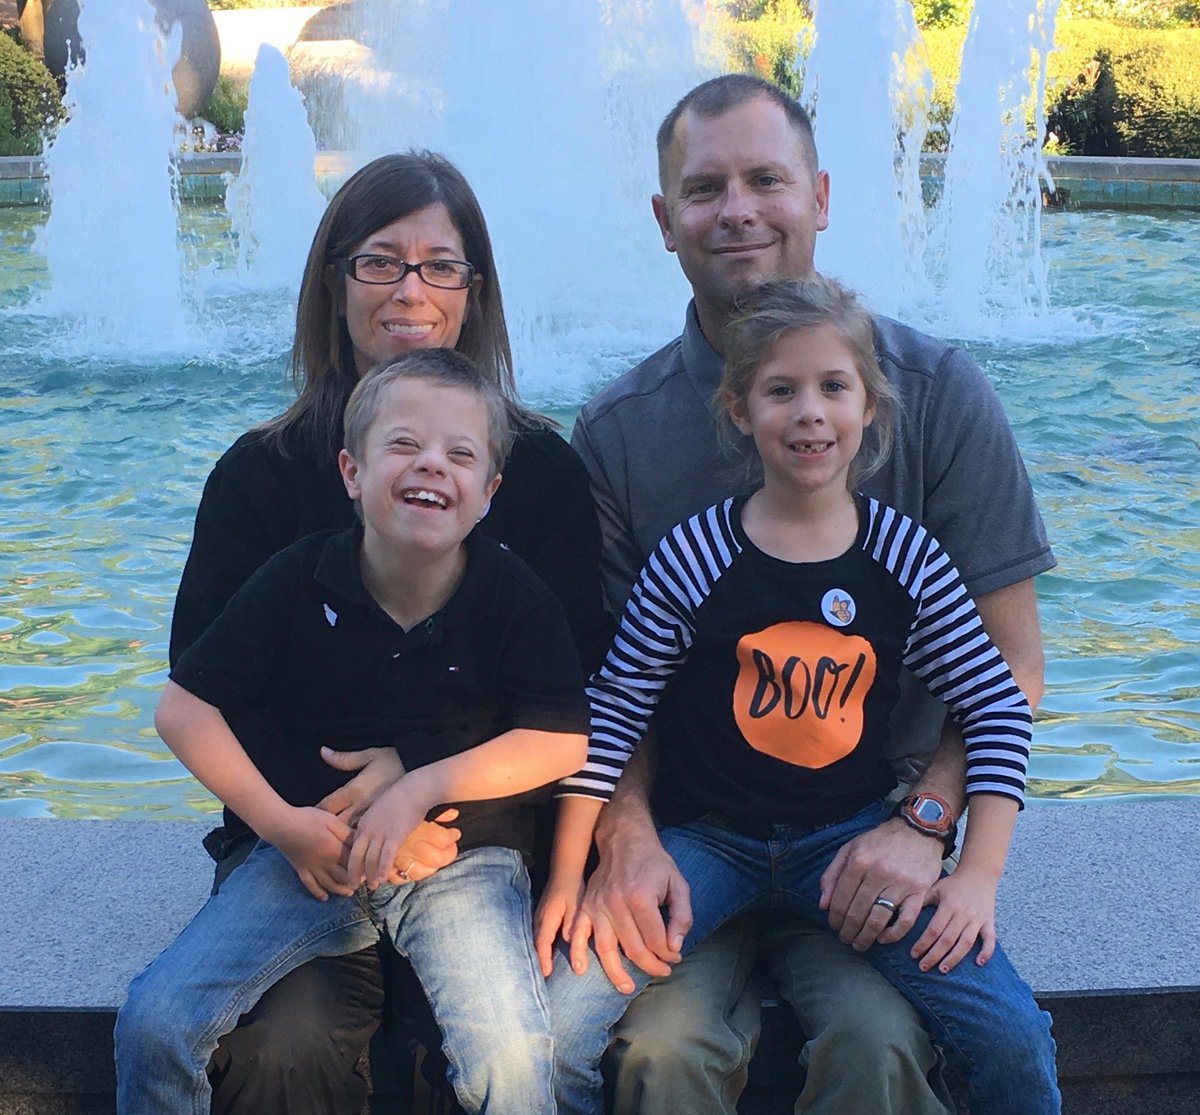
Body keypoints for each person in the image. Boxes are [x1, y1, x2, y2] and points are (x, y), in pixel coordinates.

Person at [566, 74, 1055, 1113]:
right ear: (665, 220)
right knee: (640, 1043)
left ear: (821, 196)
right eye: (705, 187)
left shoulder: (937, 398)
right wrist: (624, 835)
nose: (736, 208)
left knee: (893, 1045)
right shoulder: (617, 434)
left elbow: (1009, 674)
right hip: (699, 840)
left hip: (868, 835)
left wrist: (934, 831)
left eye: (765, 179)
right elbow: (612, 694)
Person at [168, 152, 610, 1114]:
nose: (411, 289)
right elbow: (206, 690)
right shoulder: (260, 474)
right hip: (302, 841)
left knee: (498, 1042)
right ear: (334, 284)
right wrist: (325, 819)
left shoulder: (536, 472)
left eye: (439, 265)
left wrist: (415, 773)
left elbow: (575, 686)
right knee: (281, 1043)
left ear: (473, 290)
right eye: (379, 261)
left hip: (480, 843)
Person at [116, 351, 591, 1114]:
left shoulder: (513, 594)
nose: (430, 464)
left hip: (459, 862)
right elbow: (183, 708)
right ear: (351, 470)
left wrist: (422, 785)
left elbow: (562, 739)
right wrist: (286, 827)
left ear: (488, 494)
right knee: (157, 1018)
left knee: (509, 1052)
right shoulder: (296, 579)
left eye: (460, 453)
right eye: (403, 444)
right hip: (310, 855)